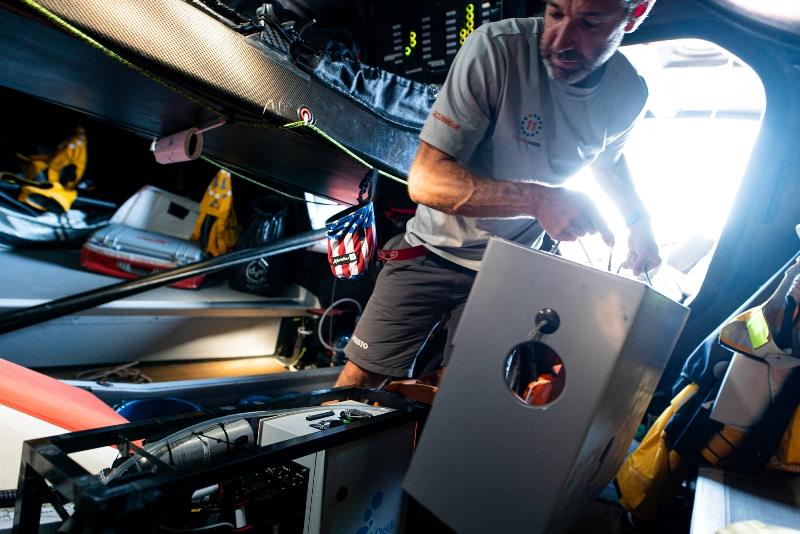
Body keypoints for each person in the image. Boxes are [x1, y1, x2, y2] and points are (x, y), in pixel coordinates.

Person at [336, 0, 661, 387]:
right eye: (555, 13)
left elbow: (608, 159)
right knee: (356, 388)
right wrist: (539, 201)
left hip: (510, 271)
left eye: (590, 23)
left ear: (635, 14)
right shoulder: (496, 49)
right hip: (433, 250)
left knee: (469, 402)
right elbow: (424, 180)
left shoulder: (629, 94)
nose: (561, 41)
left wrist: (639, 222)